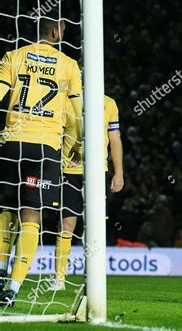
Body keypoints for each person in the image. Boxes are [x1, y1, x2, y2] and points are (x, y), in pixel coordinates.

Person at [0, 9, 82, 306]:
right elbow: (75, 117)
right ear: (57, 31)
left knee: (5, 210)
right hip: (46, 148)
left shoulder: (13, 56)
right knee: (31, 217)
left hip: (11, 144)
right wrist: (77, 144)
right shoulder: (69, 65)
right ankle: (13, 286)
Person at [48, 95, 124, 291]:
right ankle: (59, 278)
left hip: (98, 172)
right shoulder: (66, 101)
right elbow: (56, 134)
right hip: (69, 171)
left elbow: (115, 139)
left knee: (96, 225)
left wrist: (119, 172)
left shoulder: (109, 103)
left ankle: (94, 276)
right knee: (67, 223)